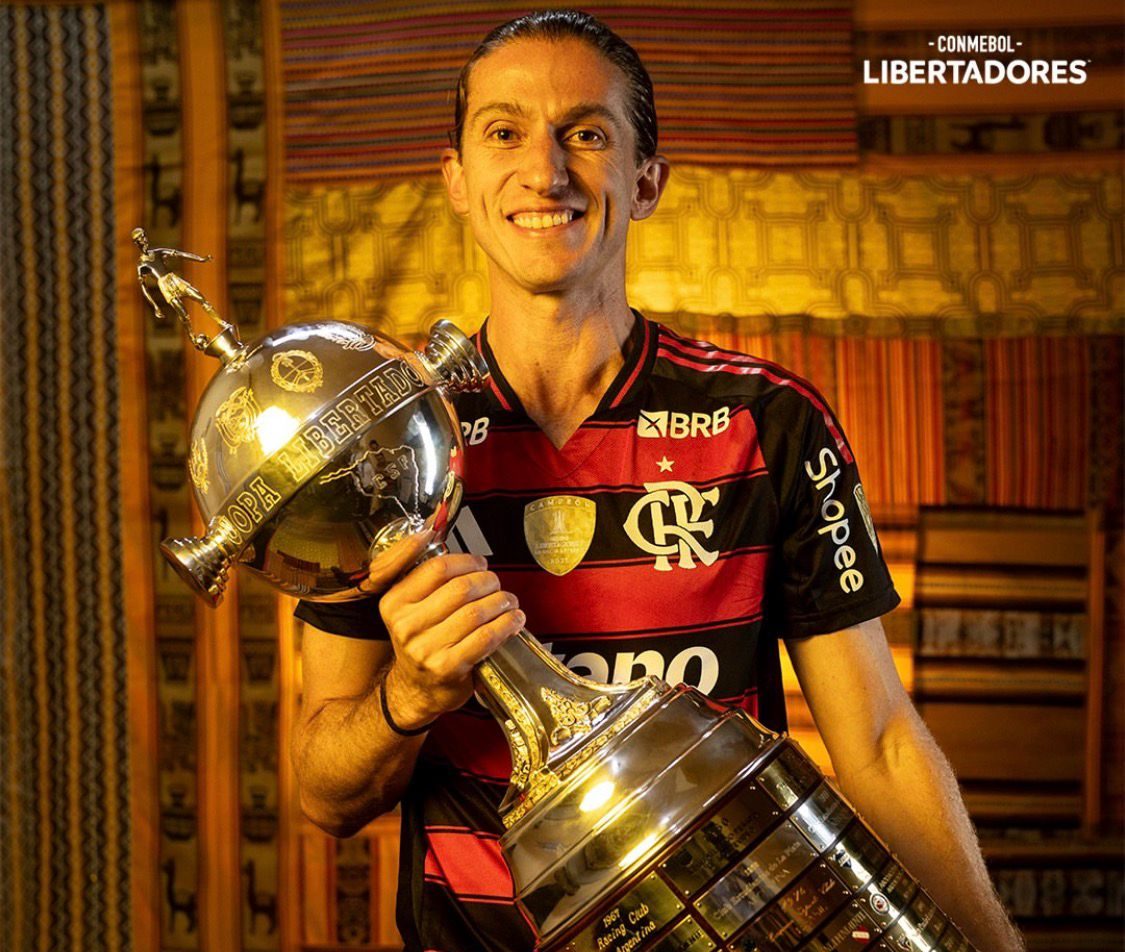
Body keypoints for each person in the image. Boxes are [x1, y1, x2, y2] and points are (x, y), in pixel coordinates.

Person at [291, 11, 1023, 951]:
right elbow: (324, 793)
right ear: (457, 181)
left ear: (645, 182)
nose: (544, 171)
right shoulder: (383, 448)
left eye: (585, 134)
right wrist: (411, 698)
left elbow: (876, 745)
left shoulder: (767, 423)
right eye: (504, 133)